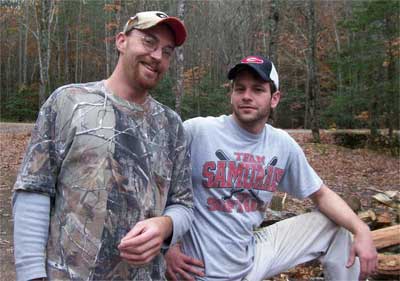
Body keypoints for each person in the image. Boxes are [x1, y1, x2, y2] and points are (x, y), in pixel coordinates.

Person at [13, 11, 194, 281]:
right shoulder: (69, 102)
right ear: (121, 41)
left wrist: (165, 225)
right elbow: (34, 190)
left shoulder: (171, 125)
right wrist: (31, 275)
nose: (157, 56)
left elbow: (183, 205)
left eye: (167, 51)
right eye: (148, 42)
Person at [165, 55, 378, 281]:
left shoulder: (281, 145)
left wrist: (362, 229)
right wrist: (167, 247)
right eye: (240, 89)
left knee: (334, 226)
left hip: (250, 256)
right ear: (232, 94)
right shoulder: (198, 131)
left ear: (274, 98)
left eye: (257, 90)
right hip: (196, 267)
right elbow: (156, 186)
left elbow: (321, 194)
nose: (247, 96)